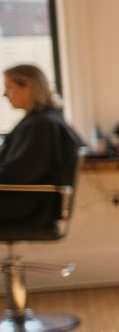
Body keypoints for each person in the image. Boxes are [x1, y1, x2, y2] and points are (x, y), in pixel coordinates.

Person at [0, 65, 83, 225]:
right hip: (31, 203)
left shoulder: (40, 125)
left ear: (28, 87)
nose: (5, 94)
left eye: (9, 87)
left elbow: (18, 174)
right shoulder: (46, 119)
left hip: (27, 207)